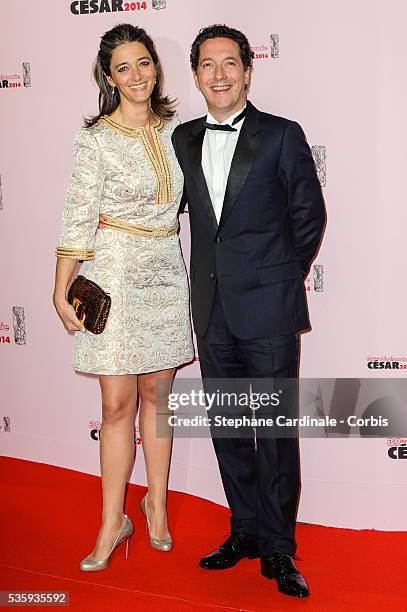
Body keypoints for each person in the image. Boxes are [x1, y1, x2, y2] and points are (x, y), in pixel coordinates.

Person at [172, 24, 326, 598]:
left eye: (229, 63)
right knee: (231, 430)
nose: (219, 74)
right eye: (207, 65)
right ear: (196, 75)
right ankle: (244, 530)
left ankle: (280, 549)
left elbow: (309, 215)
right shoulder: (184, 139)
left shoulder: (282, 136)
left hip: (269, 310)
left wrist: (280, 277)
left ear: (248, 70)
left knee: (274, 433)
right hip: (211, 312)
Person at [53, 23, 194, 571]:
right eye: (123, 69)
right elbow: (77, 214)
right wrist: (60, 284)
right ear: (108, 79)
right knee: (117, 406)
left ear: (156, 67)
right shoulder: (96, 138)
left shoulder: (178, 131)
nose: (136, 76)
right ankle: (113, 522)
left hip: (165, 271)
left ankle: (155, 506)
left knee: (158, 405)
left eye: (144, 63)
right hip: (112, 271)